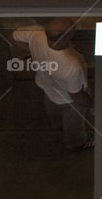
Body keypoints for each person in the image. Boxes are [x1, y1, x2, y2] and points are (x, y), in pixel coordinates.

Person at [9, 18, 93, 150]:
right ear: (67, 37)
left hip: (47, 86)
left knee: (52, 107)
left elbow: (13, 36)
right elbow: (76, 95)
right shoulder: (71, 66)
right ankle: (77, 143)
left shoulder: (36, 35)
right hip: (68, 100)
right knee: (73, 123)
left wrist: (30, 51)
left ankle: (57, 125)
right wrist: (91, 103)